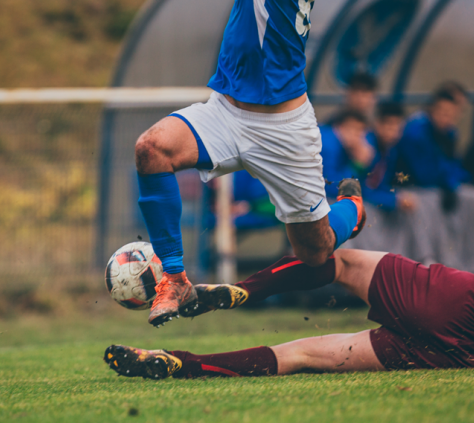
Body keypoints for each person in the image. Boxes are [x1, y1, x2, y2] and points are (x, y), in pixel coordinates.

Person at [104, 187, 474, 379]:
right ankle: (180, 364)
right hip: (467, 354)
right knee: (302, 354)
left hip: (458, 302)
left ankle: (223, 293)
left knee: (334, 261)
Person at [133, 0, 366, 326]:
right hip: (225, 113)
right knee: (152, 148)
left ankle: (352, 209)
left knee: (314, 251)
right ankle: (174, 280)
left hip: (284, 128)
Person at [393, 88, 470, 212]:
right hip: (407, 185)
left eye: (451, 115)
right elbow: (424, 174)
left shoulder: (450, 133)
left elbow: (455, 165)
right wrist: (449, 184)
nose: (446, 118)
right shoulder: (415, 132)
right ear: (432, 110)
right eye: (443, 112)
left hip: (433, 187)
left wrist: (453, 182)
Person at [320, 109, 376, 198]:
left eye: (361, 131)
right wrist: (358, 164)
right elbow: (332, 188)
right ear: (339, 127)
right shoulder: (328, 145)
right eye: (353, 129)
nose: (358, 136)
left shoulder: (345, 147)